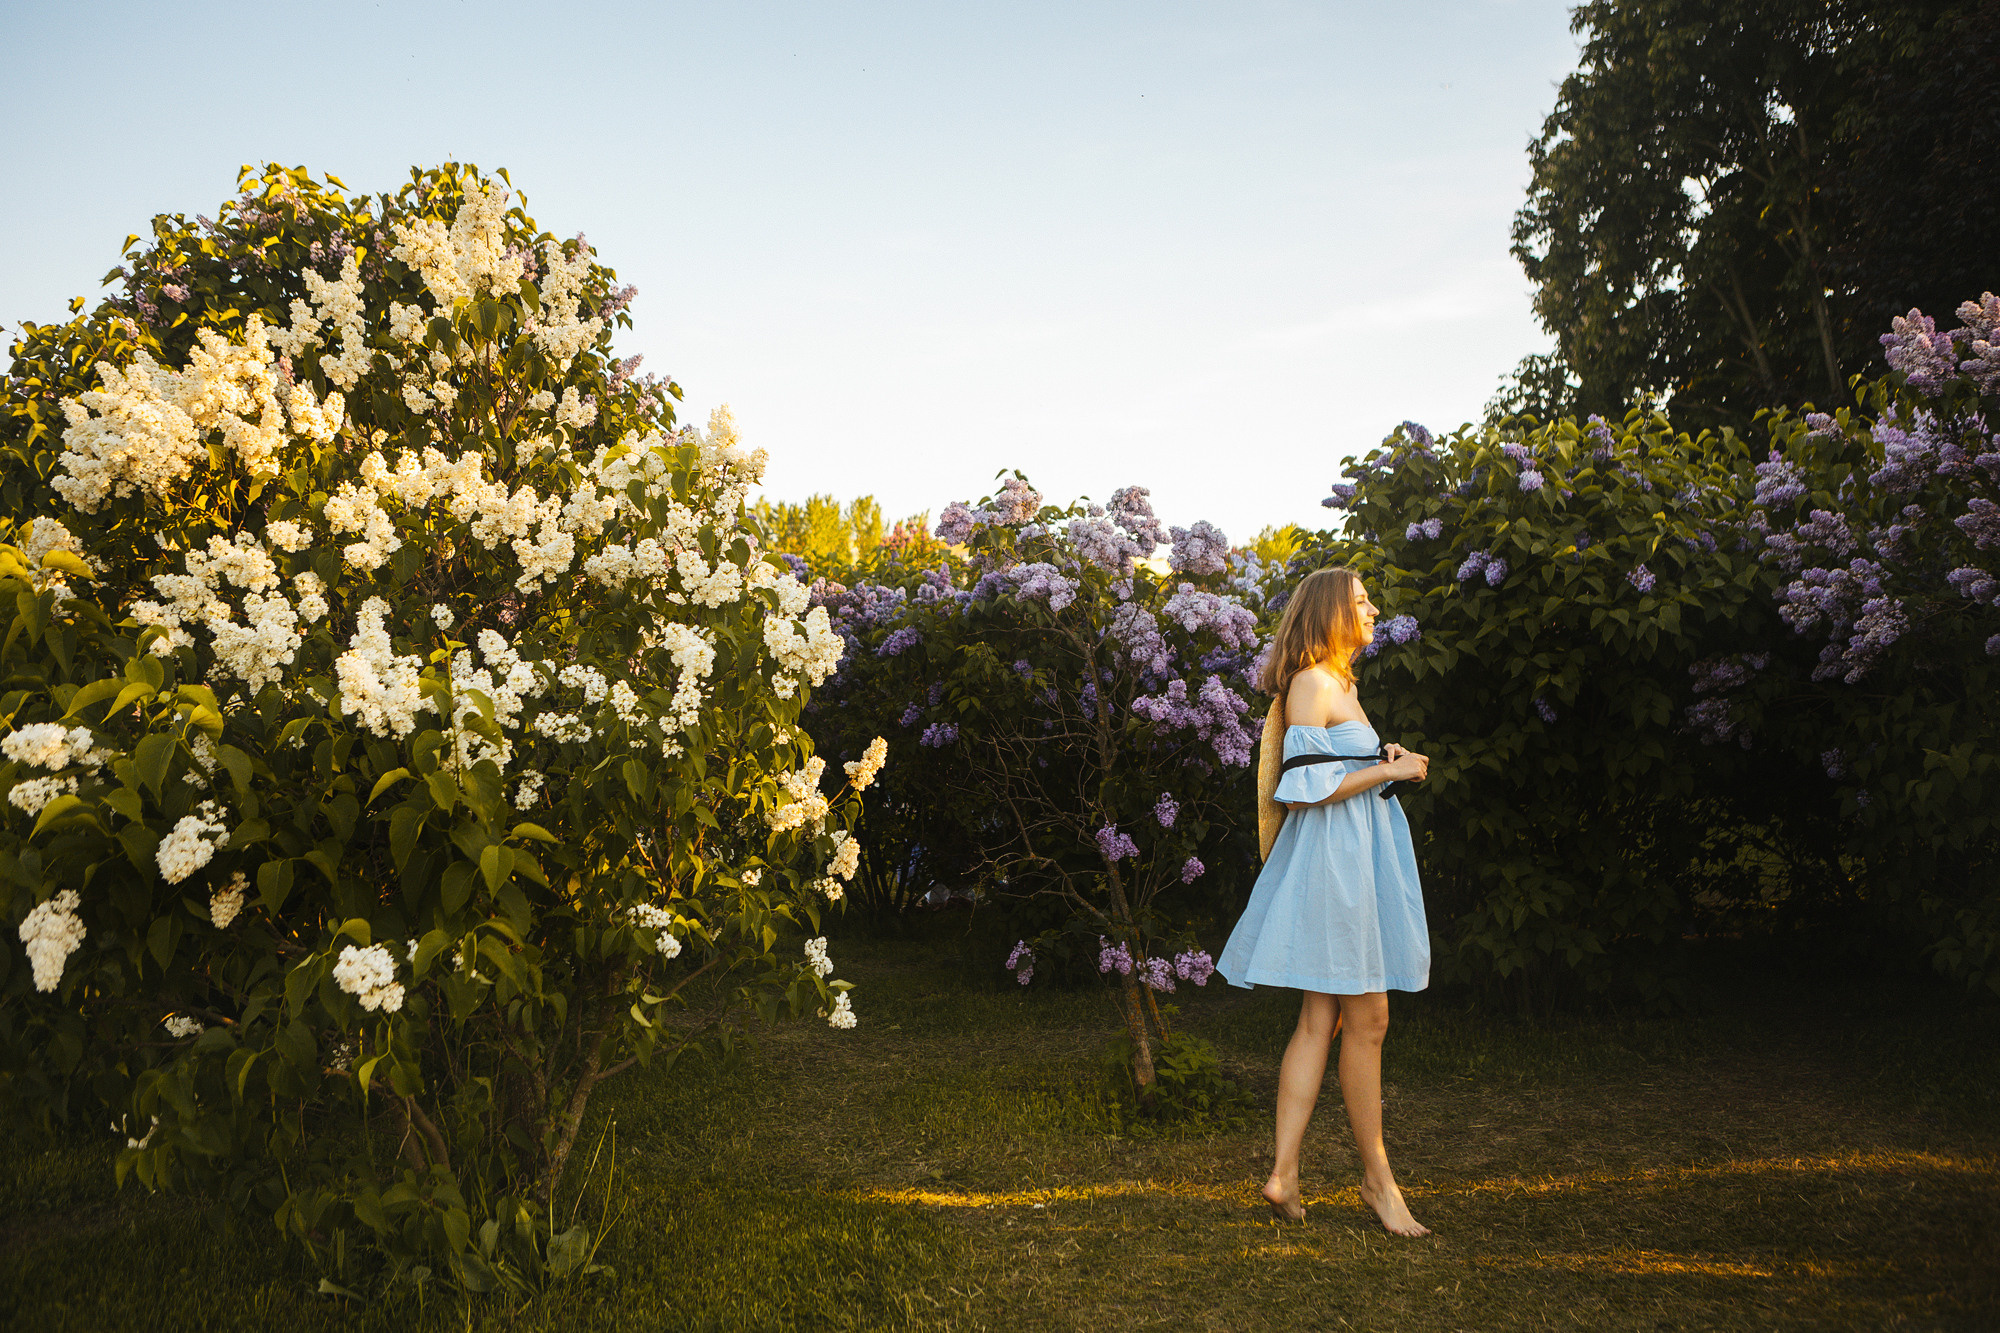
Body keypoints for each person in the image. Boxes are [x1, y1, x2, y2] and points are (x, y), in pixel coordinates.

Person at [1215, 566, 1433, 1237]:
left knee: (1325, 1016)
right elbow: (1302, 783)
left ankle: (1284, 1172)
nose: (1373, 609)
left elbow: (1339, 768)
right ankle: (1377, 1181)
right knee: (1367, 1017)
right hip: (1334, 869)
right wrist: (1389, 769)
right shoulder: (1311, 680)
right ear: (1330, 610)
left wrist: (1383, 757)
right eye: (1362, 601)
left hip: (1350, 861)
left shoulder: (1342, 683)